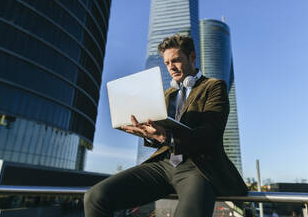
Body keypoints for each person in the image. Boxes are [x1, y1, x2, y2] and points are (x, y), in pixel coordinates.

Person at [84, 34, 247, 217]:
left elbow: (211, 134)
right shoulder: (168, 93)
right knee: (95, 196)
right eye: (167, 63)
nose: (171, 67)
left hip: (197, 167)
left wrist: (166, 137)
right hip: (164, 164)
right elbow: (160, 134)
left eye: (176, 60)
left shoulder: (214, 86)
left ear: (192, 57)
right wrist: (146, 133)